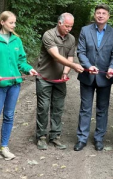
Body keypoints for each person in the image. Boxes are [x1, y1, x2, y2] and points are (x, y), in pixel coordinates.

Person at [0, 11, 38, 162]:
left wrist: (28, 68)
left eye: (15, 22)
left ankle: (4, 147)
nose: (14, 25)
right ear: (2, 22)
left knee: (9, 116)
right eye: (11, 22)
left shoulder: (16, 40)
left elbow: (21, 61)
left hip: (14, 85)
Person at [74, 4, 113, 151]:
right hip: (87, 76)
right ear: (94, 15)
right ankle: (82, 138)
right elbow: (80, 51)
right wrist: (88, 66)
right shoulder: (85, 30)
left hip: (105, 77)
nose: (100, 15)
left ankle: (99, 138)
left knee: (102, 109)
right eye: (98, 13)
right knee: (85, 108)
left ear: (108, 16)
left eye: (103, 13)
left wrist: (112, 68)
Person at [35, 13, 84, 150]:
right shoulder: (48, 35)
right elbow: (56, 56)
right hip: (44, 78)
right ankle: (41, 137)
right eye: (67, 26)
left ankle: (55, 136)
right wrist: (75, 67)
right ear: (59, 23)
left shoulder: (71, 39)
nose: (69, 29)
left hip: (60, 79)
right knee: (43, 107)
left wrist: (66, 72)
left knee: (58, 108)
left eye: (71, 26)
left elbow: (70, 58)